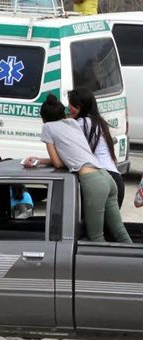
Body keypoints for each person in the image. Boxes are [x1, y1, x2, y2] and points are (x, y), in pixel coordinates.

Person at [26, 94, 130, 242]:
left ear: (43, 118)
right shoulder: (73, 123)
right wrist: (41, 160)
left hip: (92, 182)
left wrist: (41, 160)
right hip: (106, 177)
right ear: (63, 114)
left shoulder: (47, 128)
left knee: (96, 238)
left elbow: (58, 163)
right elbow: (72, 156)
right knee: (120, 232)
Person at [68, 87, 123, 206]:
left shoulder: (81, 124)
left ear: (79, 107)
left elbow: (68, 155)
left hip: (99, 179)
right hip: (116, 180)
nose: (68, 108)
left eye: (71, 105)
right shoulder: (99, 122)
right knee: (111, 225)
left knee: (90, 224)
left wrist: (42, 161)